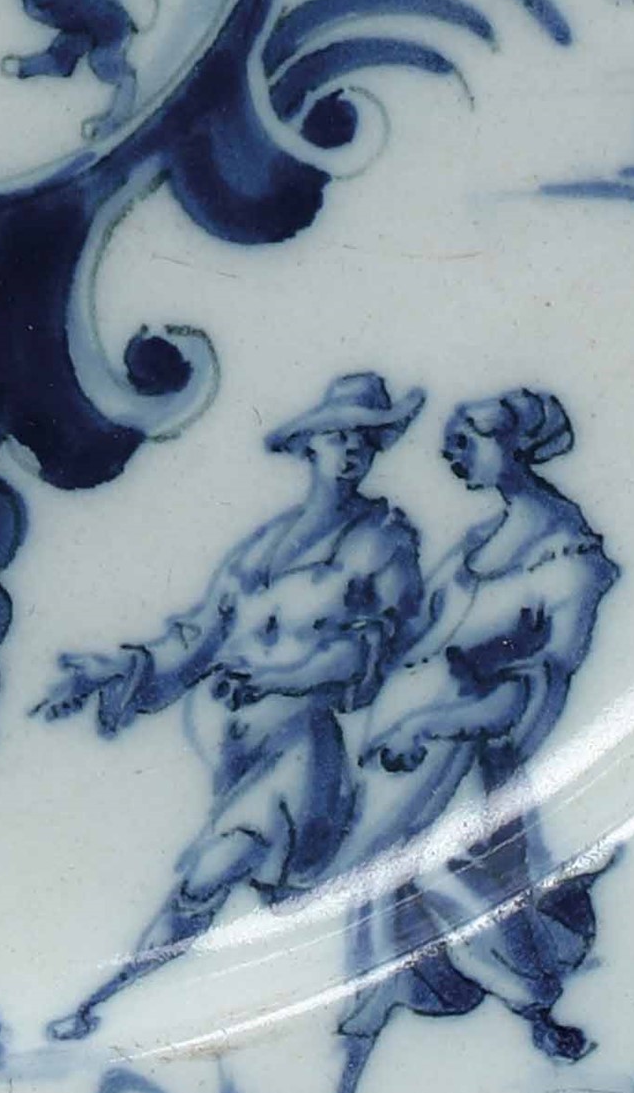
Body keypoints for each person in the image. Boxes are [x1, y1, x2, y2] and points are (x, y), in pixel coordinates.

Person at [35, 373, 433, 1042]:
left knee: (208, 876)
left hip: (298, 749)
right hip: (233, 752)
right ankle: (110, 1003)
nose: (352, 451)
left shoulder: (382, 541)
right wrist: (119, 668)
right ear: (309, 446)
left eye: (366, 441)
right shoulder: (261, 547)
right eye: (339, 437)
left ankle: (101, 1002)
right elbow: (198, 638)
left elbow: (371, 650)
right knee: (211, 876)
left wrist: (281, 676)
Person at [322, 388, 619, 1093]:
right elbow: (413, 644)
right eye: (452, 440)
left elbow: (540, 684)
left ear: (517, 443)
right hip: (408, 759)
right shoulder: (471, 549)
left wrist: (435, 721)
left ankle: (536, 1007)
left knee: (432, 876)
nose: (455, 453)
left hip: (475, 760)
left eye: (472, 437)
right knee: (374, 894)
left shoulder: (569, 559)